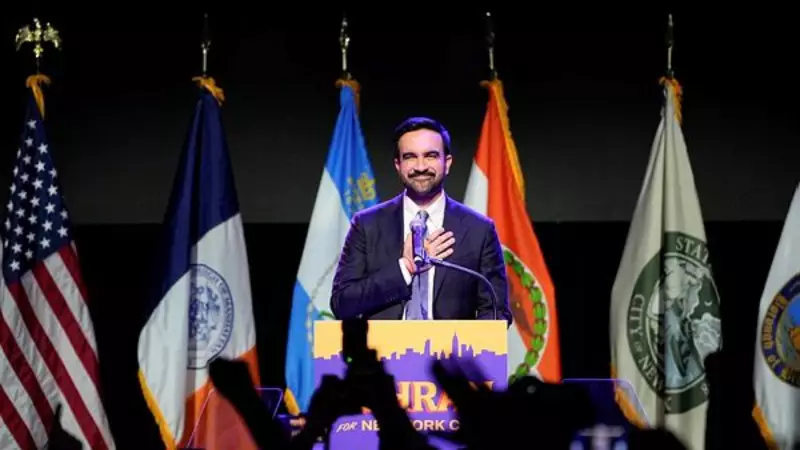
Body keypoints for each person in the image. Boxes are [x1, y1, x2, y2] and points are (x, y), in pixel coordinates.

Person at [330, 116, 512, 324]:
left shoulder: (479, 230)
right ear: (398, 165)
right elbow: (342, 304)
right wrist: (405, 268)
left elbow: (496, 311)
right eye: (410, 157)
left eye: (431, 156)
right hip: (381, 354)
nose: (420, 166)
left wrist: (464, 349)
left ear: (447, 163)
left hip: (452, 355)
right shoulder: (367, 226)